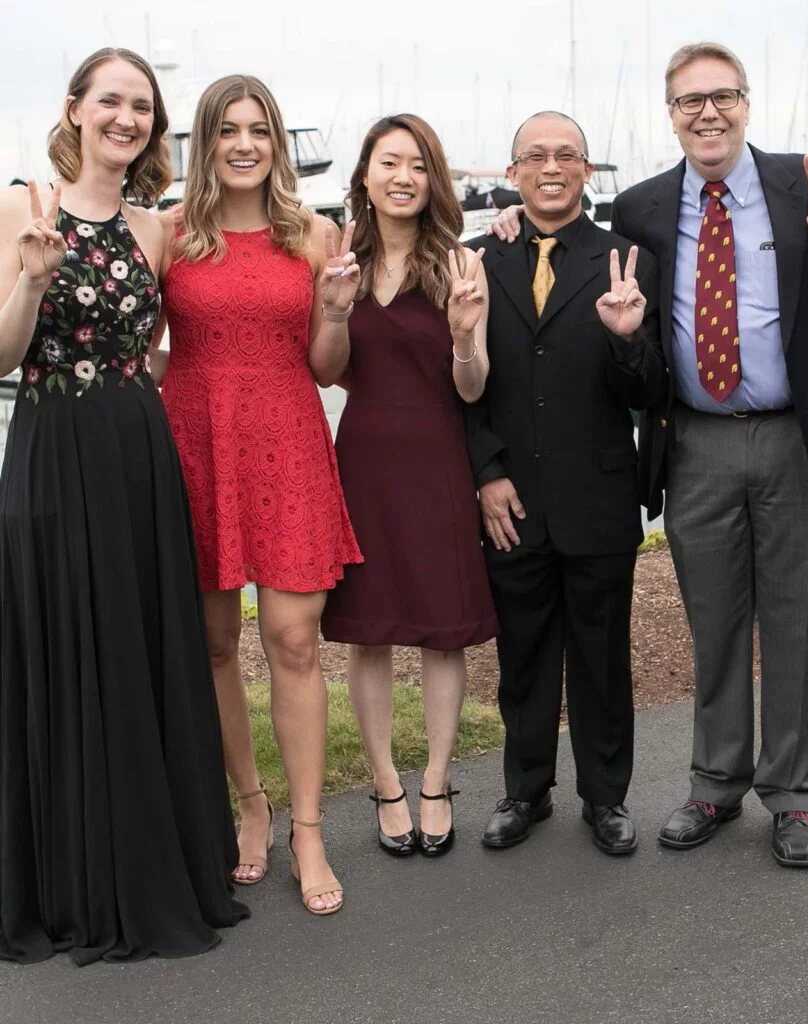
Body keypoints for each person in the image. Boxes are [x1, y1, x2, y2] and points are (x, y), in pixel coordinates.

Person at [0, 48, 248, 965]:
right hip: (54, 444)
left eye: (142, 106)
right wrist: (31, 275)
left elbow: (251, 258)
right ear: (73, 110)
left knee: (142, 648)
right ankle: (71, 881)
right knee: (64, 641)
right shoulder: (21, 204)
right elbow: (0, 355)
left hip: (139, 450)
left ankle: (158, 863)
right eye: (110, 101)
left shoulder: (158, 228)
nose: (127, 118)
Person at [610, 42, 808, 866]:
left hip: (798, 437)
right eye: (690, 101)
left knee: (799, 622)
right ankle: (715, 783)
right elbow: (632, 330)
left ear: (748, 104)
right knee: (713, 621)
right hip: (696, 443)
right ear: (671, 115)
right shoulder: (642, 206)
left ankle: (791, 796)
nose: (707, 113)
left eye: (722, 97)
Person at [155, 75, 362, 916]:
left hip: (287, 439)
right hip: (194, 445)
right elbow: (153, 351)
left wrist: (339, 312)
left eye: (260, 131)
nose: (244, 144)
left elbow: (327, 367)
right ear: (204, 144)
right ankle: (250, 805)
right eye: (227, 131)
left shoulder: (315, 236)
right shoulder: (167, 236)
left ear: (277, 144)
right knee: (209, 643)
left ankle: (307, 829)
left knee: (293, 639)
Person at [469, 111, 663, 856]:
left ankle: (606, 798)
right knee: (523, 655)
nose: (552, 167)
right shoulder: (479, 261)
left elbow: (649, 392)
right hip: (510, 500)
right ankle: (525, 790)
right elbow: (460, 387)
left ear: (587, 171)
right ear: (512, 172)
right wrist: (485, 472)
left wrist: (625, 341)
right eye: (535, 156)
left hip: (599, 496)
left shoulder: (627, 261)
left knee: (602, 657)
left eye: (567, 155)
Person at [319, 114, 497, 858]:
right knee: (368, 631)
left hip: (436, 461)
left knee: (438, 629)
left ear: (433, 181)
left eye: (417, 165)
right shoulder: (339, 259)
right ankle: (386, 781)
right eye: (388, 162)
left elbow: (474, 386)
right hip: (360, 461)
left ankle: (436, 779)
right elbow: (327, 369)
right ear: (364, 174)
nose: (402, 176)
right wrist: (333, 310)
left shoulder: (459, 262)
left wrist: (462, 337)